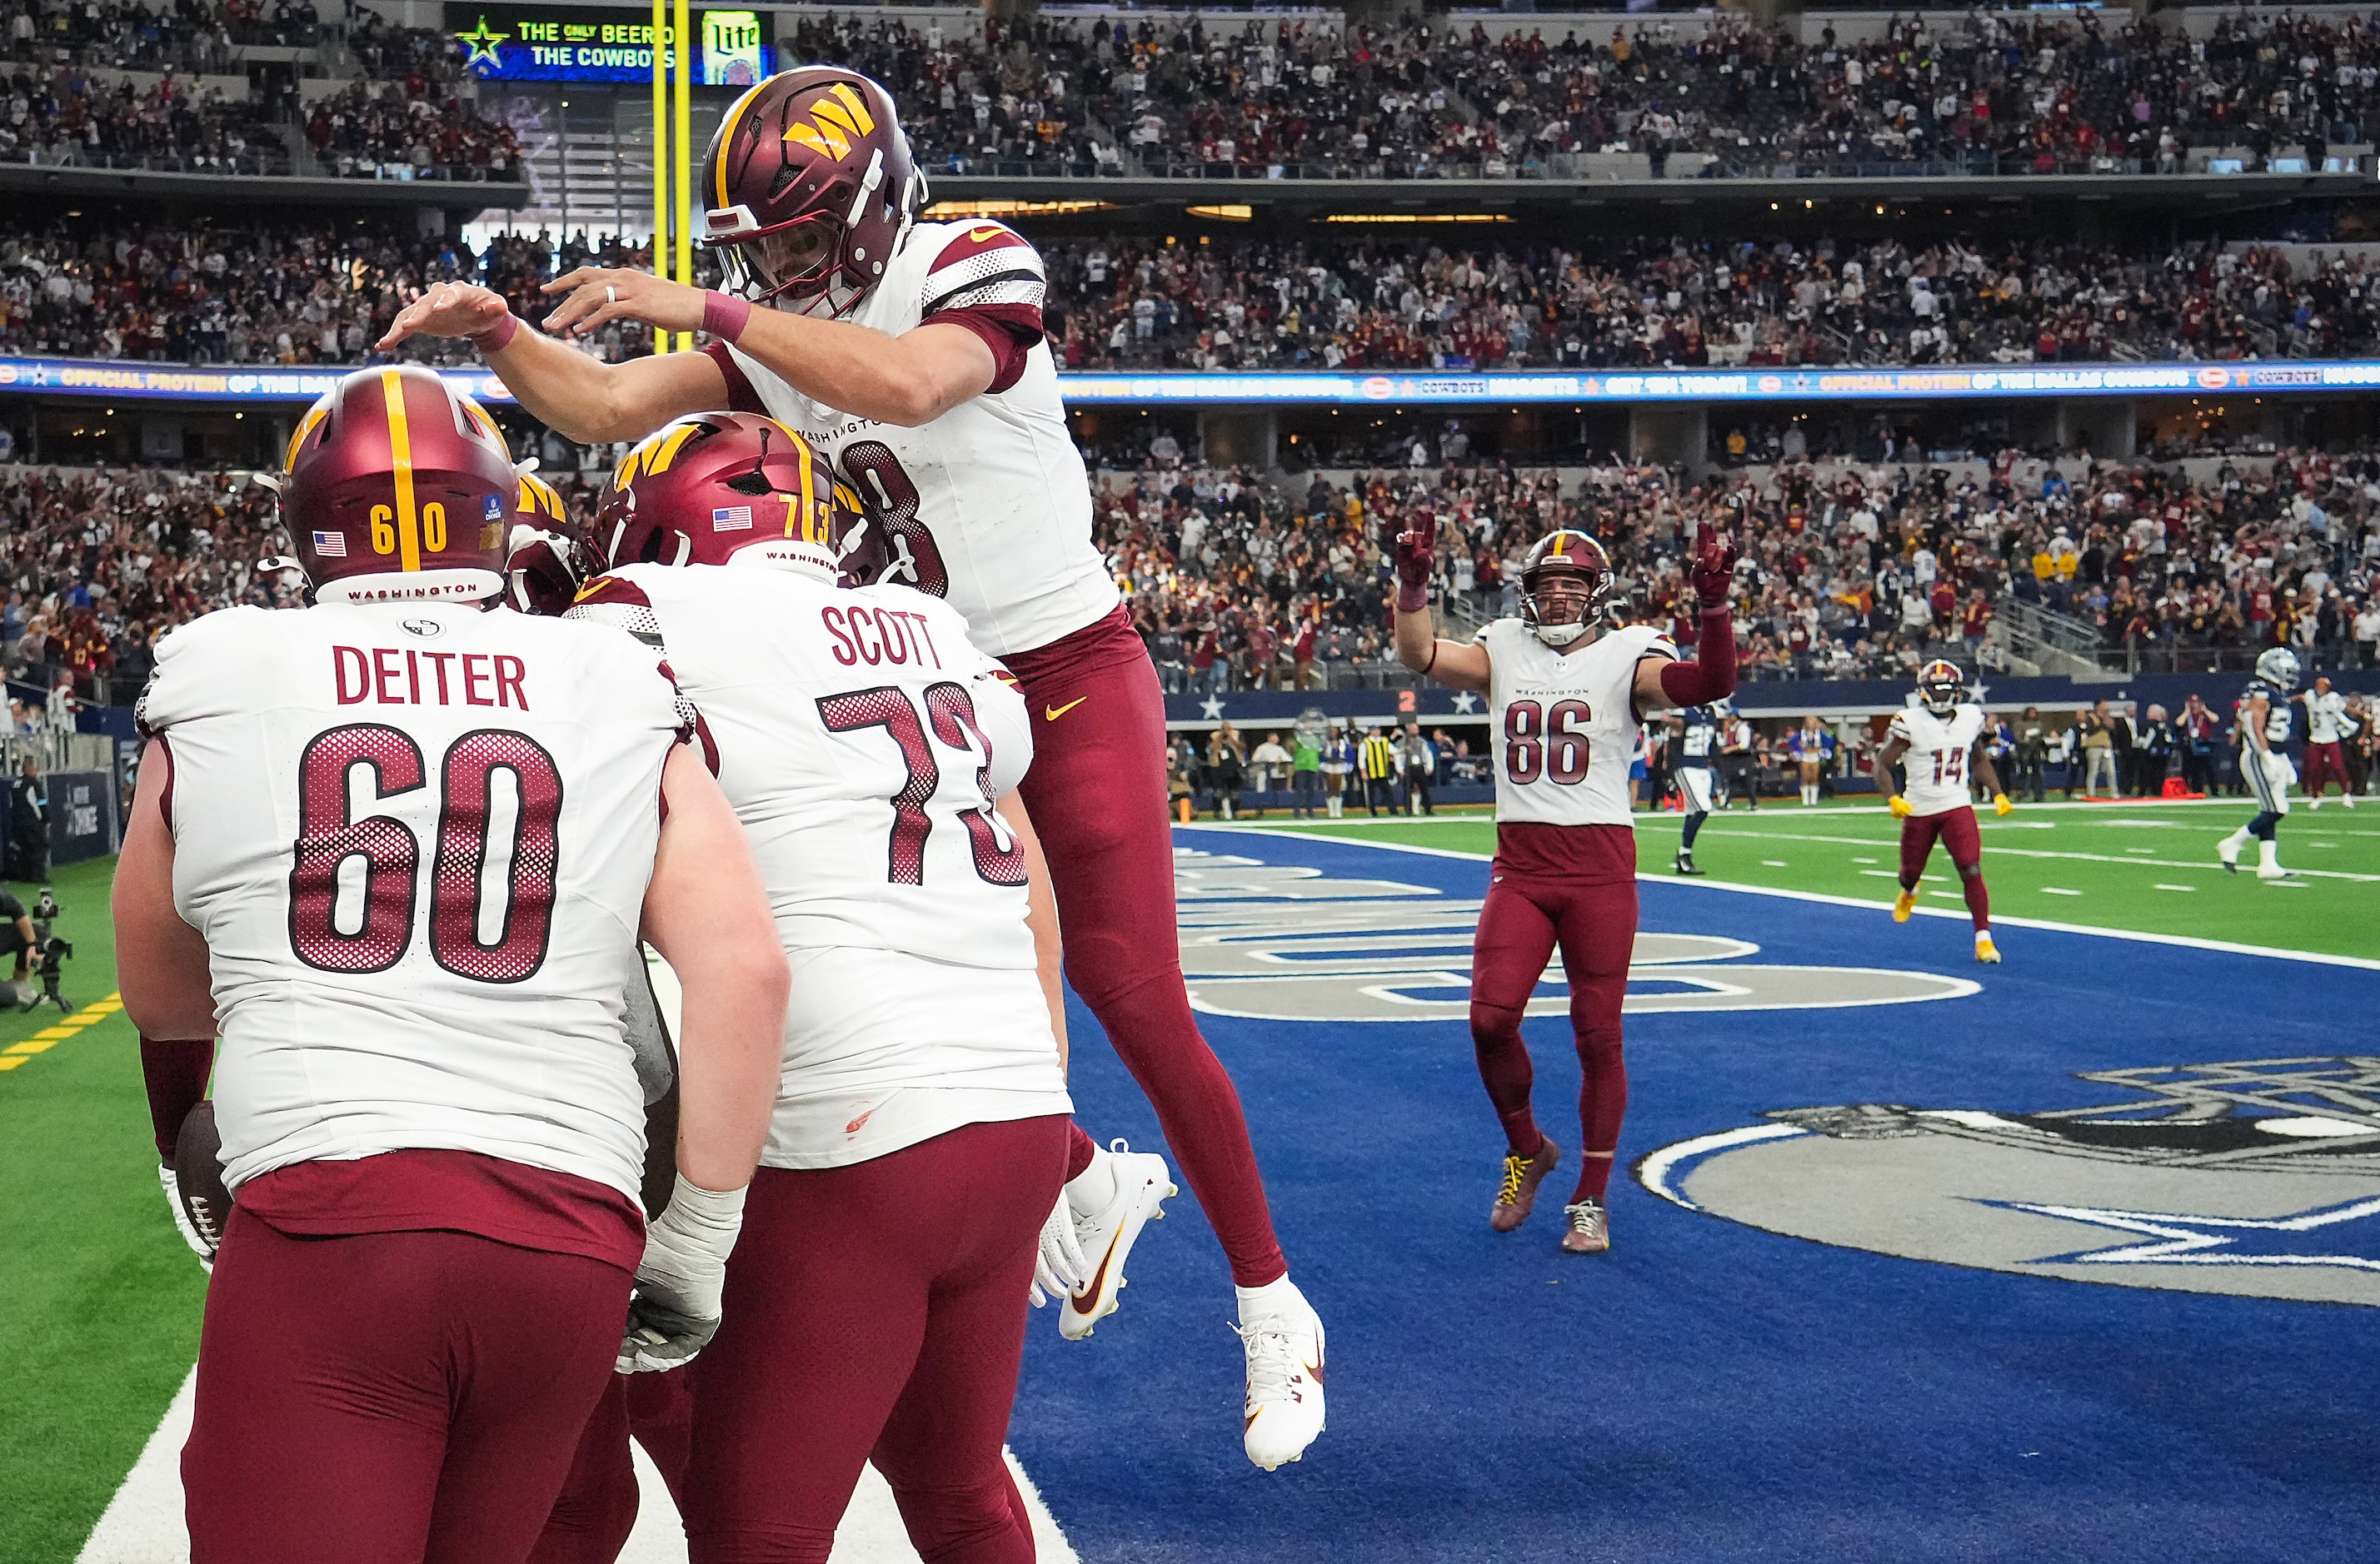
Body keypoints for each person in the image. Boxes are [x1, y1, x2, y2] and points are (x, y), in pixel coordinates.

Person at [382, 64, 1324, 1464]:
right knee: (822, 960)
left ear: (880, 209)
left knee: (1124, 983)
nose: (789, 277)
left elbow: (906, 379)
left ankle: (1270, 1300)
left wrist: (712, 305)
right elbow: (606, 406)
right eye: (763, 258)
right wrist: (507, 336)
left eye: (806, 245)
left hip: (1060, 668)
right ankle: (1074, 1173)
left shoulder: (968, 260)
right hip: (908, 677)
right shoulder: (787, 321)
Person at [112, 366, 790, 1563]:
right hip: (568, 1238)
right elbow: (743, 968)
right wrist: (697, 1235)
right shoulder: (614, 673)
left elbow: (156, 960)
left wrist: (185, 1143)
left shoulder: (222, 664)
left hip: (337, 1224)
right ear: (493, 506)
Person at [537, 411, 1080, 1564]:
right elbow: (1027, 878)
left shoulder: (650, 610)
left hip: (852, 1133)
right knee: (958, 1485)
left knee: (757, 1531)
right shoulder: (937, 626)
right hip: (1015, 1108)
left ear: (664, 524)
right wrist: (1053, 1093)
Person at [1390, 519, 1739, 1255]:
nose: (1555, 597)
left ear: (1596, 592)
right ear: (1525, 593)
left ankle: (1592, 1196)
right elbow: (1419, 654)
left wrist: (1715, 605)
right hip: (1520, 864)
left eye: (1569, 584)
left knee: (1597, 1035)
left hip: (1599, 867)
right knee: (1488, 1020)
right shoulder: (1502, 646)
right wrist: (1413, 586)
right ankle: (1528, 1148)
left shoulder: (1628, 650)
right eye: (1544, 585)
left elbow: (1710, 683)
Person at [1874, 659, 2013, 965]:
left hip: (1956, 804)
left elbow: (1977, 759)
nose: (1939, 696)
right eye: (1934, 691)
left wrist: (1998, 792)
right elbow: (1882, 764)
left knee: (1971, 868)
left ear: (1958, 692)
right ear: (1923, 692)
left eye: (1945, 690)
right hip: (1919, 807)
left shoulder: (1970, 717)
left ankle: (1984, 938)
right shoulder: (1909, 722)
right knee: (1909, 874)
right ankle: (1910, 892)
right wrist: (1892, 799)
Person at [2218, 647, 2303, 879]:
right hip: (2258, 756)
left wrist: (2283, 760)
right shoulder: (2260, 691)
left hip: (2274, 754)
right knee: (2278, 809)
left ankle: (2268, 865)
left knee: (2269, 809)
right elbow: (2253, 727)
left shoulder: (2275, 692)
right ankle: (2233, 843)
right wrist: (2266, 756)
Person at [1671, 700, 1724, 875]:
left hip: (1703, 767)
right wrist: (1670, 775)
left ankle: (1684, 856)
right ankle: (1683, 853)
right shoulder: (1683, 711)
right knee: (1703, 809)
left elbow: (1714, 746)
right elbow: (1673, 740)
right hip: (1685, 765)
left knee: (1692, 811)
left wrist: (1721, 771)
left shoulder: (1711, 713)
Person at [2297, 675, 2356, 809]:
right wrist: (2289, 700)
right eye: (2318, 685)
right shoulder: (2310, 695)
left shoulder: (2333, 698)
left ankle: (2346, 795)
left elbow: (2345, 708)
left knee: (2337, 767)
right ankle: (2317, 796)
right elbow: (2301, 697)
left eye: (2322, 686)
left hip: (2330, 738)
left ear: (2327, 688)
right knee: (2315, 768)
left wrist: (2360, 714)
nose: (2319, 688)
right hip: (2316, 739)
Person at [8, 757, 46, 882]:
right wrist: (46, 818)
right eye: (35, 769)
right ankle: (37, 876)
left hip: (17, 822)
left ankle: (24, 876)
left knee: (23, 849)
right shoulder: (33, 784)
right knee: (38, 848)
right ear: (30, 770)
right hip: (32, 822)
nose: (36, 771)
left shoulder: (16, 784)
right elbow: (41, 802)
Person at [2178, 694, 2220, 795]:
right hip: (2191, 745)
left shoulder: (2204, 715)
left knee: (2209, 769)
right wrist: (2187, 711)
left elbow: (2215, 719)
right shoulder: (2187, 716)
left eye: (2197, 703)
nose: (2195, 705)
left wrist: (2205, 710)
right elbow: (2179, 723)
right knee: (2193, 770)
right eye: (2192, 703)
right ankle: (2196, 790)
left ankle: (2214, 790)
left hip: (2204, 743)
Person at [1206, 723, 1247, 820]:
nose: (1226, 731)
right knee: (1219, 792)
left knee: (1234, 793)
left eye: (1228, 729)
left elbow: (1243, 747)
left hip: (1234, 768)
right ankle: (1216, 812)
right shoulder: (1214, 736)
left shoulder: (1236, 734)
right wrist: (1220, 737)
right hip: (1218, 768)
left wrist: (1231, 738)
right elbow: (1209, 749)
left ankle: (1235, 812)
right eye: (1224, 729)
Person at [1248, 730, 1293, 815]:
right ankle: (1261, 805)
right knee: (1261, 784)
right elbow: (1255, 759)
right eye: (1275, 737)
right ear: (1269, 738)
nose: (1277, 739)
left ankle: (1279, 804)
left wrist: (1280, 760)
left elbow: (1288, 759)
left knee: (1281, 779)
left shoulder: (1279, 748)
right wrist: (1266, 761)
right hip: (1264, 770)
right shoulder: (1262, 748)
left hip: (1276, 771)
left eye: (1277, 737)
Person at [1789, 715, 1829, 805]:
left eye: (1813, 722)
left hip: (1815, 756)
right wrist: (1797, 749)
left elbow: (1830, 741)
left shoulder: (1819, 733)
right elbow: (1791, 742)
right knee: (1805, 778)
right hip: (1805, 756)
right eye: (1810, 722)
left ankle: (1814, 800)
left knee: (1815, 778)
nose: (1811, 724)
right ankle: (1805, 800)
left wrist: (1823, 749)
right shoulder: (1802, 733)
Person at [1398, 720, 1436, 815]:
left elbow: (1427, 754)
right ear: (1409, 730)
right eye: (1414, 729)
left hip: (1419, 767)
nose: (1416, 731)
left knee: (1424, 790)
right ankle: (1408, 811)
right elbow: (1399, 756)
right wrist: (1400, 769)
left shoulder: (1422, 742)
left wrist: (1429, 766)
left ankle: (1428, 810)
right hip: (1408, 768)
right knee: (1407, 791)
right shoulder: (1402, 742)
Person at [1360, 724, 1399, 815]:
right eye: (1375, 730)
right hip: (1371, 772)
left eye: (1378, 730)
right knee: (1371, 794)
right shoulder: (1365, 742)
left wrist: (1402, 750)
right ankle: (1373, 812)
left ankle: (1393, 811)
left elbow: (1393, 750)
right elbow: (1361, 758)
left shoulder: (1384, 741)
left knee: (1388, 793)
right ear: (1370, 731)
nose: (1377, 732)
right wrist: (1363, 771)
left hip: (1382, 772)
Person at [1320, 721, 1356, 819]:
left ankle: (1338, 810)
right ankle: (1331, 811)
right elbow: (1321, 754)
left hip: (1340, 767)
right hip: (1328, 767)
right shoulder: (1324, 742)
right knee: (1329, 789)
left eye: (1335, 730)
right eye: (1331, 730)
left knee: (1339, 789)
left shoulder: (1343, 742)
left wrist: (1349, 764)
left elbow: (1350, 754)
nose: (1333, 732)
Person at [2013, 707, 2048, 802]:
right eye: (2031, 713)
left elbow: (2041, 736)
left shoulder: (2038, 724)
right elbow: (2017, 738)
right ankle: (2022, 793)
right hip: (2024, 751)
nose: (2033, 714)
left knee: (2037, 773)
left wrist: (2036, 742)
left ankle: (2039, 794)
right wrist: (2026, 741)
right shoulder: (2019, 724)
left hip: (2035, 751)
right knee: (2023, 773)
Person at [1290, 725, 1322, 819]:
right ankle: (1297, 811)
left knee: (1311, 790)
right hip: (1302, 766)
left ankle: (1310, 810)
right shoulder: (1299, 737)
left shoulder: (1316, 738)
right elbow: (1297, 747)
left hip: (1312, 765)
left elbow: (1319, 749)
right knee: (1300, 789)